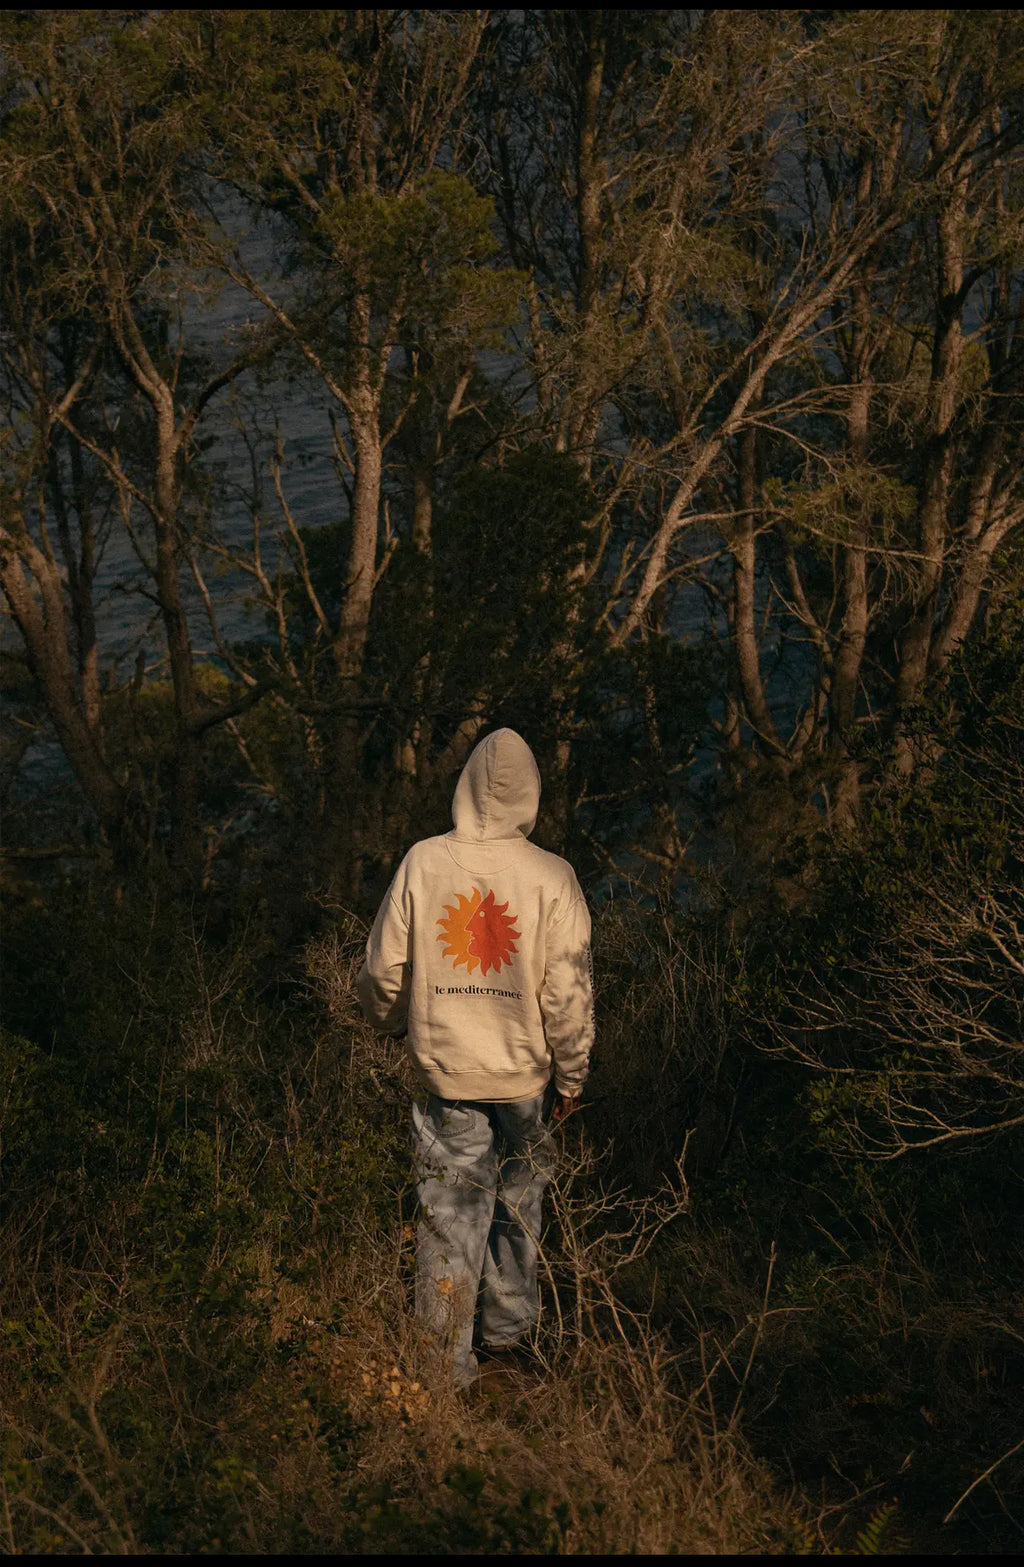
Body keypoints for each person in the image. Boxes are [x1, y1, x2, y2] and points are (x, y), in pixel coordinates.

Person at [357, 727, 595, 1390]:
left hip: (446, 1073)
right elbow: (569, 994)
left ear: (463, 785)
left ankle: (441, 1370)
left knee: (447, 1217)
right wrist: (572, 1075)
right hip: (527, 1080)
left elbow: (380, 971)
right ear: (532, 794)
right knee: (520, 1207)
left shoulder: (423, 862)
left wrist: (388, 1022)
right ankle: (510, 1340)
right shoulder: (553, 876)